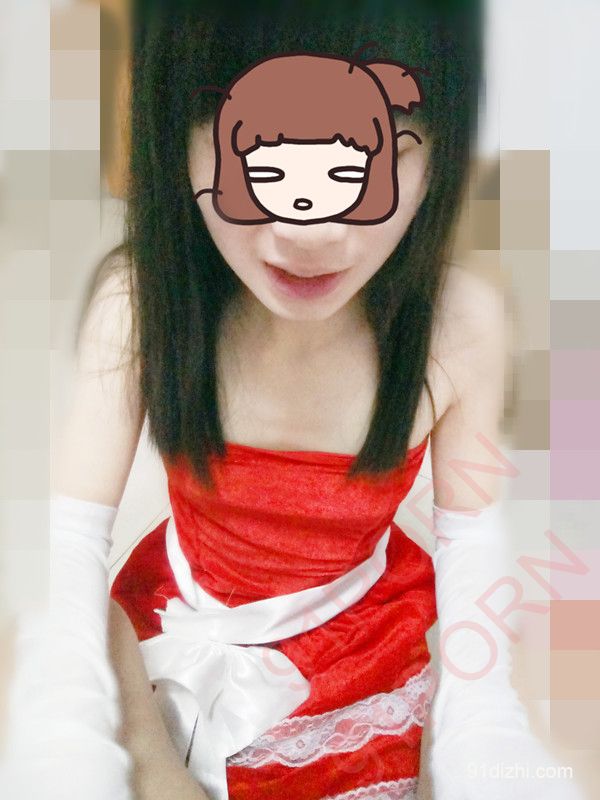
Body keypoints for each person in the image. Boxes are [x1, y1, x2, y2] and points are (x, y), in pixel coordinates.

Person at [37, 2, 584, 800]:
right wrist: (146, 759)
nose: (312, 230)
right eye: (262, 166)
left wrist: (486, 742)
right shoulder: (140, 307)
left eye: (367, 158)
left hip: (366, 658)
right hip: (171, 635)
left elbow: (475, 552)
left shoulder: (459, 325)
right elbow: (66, 549)